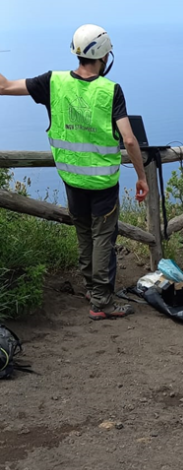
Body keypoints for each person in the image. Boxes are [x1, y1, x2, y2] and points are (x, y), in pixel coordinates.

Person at [0, 24, 148, 320]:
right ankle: (102, 302)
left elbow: (4, 87)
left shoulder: (52, 82)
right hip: (103, 184)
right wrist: (141, 177)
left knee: (84, 236)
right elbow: (129, 139)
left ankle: (92, 289)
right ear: (104, 55)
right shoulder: (110, 91)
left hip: (71, 180)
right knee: (103, 238)